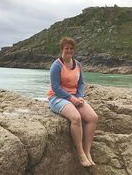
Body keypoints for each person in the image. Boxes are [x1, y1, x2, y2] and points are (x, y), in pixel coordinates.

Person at [47, 37, 98, 167]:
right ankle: (80, 153)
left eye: (71, 48)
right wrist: (71, 99)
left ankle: (87, 151)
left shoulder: (78, 64)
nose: (69, 50)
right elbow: (55, 87)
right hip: (57, 97)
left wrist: (80, 96)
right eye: (66, 48)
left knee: (93, 117)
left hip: (75, 97)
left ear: (74, 50)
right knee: (76, 118)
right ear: (62, 49)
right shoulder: (56, 65)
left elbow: (81, 83)